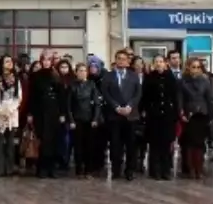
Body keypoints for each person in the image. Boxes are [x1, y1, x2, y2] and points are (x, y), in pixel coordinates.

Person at [100, 50, 142, 181]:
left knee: (131, 145)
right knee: (115, 144)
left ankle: (130, 170)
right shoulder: (108, 76)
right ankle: (116, 170)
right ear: (115, 60)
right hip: (114, 115)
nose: (121, 61)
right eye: (119, 58)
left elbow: (138, 93)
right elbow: (105, 93)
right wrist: (116, 107)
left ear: (128, 61)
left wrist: (130, 106)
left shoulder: (134, 76)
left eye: (124, 59)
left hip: (130, 115)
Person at [27, 52, 68, 179]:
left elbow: (62, 96)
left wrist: (62, 113)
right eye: (44, 60)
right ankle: (41, 168)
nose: (46, 62)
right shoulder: (35, 76)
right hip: (40, 112)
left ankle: (52, 168)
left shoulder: (56, 76)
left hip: (54, 112)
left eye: (48, 60)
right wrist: (30, 113)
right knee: (42, 141)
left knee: (54, 140)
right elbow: (32, 96)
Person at [140, 55, 179, 180]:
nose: (158, 64)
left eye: (161, 61)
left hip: (167, 115)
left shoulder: (170, 77)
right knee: (155, 144)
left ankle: (166, 170)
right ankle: (155, 170)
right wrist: (143, 110)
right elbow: (144, 96)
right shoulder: (149, 77)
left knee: (167, 144)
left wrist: (176, 112)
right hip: (153, 115)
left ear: (165, 63)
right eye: (156, 61)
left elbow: (175, 96)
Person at [178, 57, 213, 179]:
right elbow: (180, 99)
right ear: (188, 67)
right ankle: (191, 169)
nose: (196, 69)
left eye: (198, 67)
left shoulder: (205, 81)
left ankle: (199, 168)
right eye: (193, 67)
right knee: (189, 143)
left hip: (202, 115)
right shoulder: (183, 81)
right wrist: (181, 112)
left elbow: (209, 99)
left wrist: (211, 115)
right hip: (189, 115)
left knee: (200, 143)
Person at [66, 62, 101, 178]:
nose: (82, 73)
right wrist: (71, 120)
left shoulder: (91, 85)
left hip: (89, 119)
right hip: (76, 120)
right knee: (78, 146)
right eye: (80, 71)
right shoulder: (72, 86)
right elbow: (68, 105)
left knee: (89, 146)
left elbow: (97, 103)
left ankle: (88, 170)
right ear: (76, 73)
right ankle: (79, 169)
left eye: (84, 71)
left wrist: (95, 118)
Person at [0, 70, 22, 177]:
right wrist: (0, 110)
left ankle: (9, 168)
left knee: (10, 143)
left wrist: (10, 110)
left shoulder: (16, 80)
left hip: (11, 114)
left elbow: (19, 97)